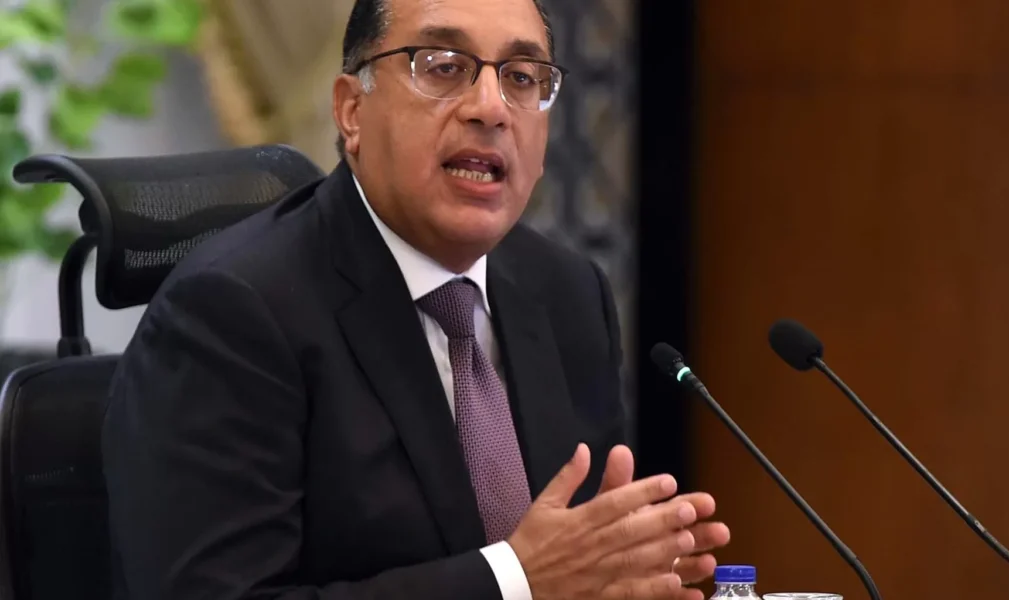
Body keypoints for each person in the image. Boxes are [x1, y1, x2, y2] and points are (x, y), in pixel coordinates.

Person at [101, 0, 731, 598]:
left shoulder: (567, 293)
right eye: (444, 67)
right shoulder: (231, 316)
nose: (491, 108)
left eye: (521, 77)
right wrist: (514, 582)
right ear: (351, 110)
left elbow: (581, 562)